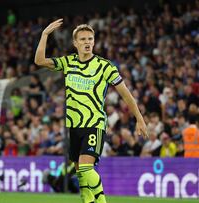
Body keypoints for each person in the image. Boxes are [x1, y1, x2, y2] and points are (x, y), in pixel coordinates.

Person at [34, 19, 148, 203]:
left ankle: (101, 201)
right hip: (74, 125)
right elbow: (39, 60)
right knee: (80, 173)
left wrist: (139, 118)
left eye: (90, 39)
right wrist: (45, 34)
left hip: (94, 124)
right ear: (75, 43)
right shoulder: (68, 62)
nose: (87, 42)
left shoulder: (106, 67)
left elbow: (126, 95)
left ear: (94, 42)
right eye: (83, 39)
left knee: (86, 169)